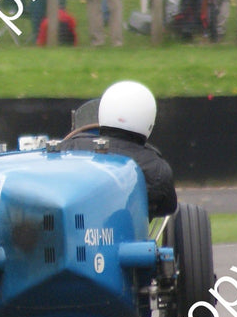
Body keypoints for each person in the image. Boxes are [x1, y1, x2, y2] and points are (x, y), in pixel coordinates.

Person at [55, 80, 175, 219]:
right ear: (148, 121)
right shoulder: (156, 167)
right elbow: (168, 207)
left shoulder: (70, 147)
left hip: (73, 233)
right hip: (125, 235)